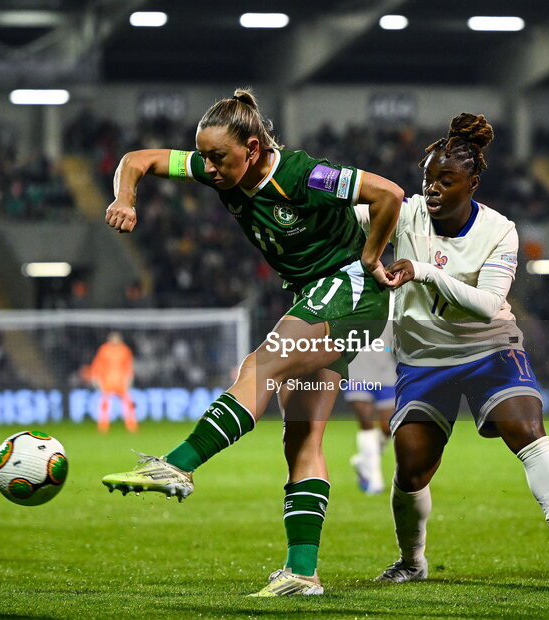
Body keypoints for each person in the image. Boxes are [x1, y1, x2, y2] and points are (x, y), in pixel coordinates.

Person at [101, 88, 404, 596]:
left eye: (219, 157)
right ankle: (303, 573)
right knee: (301, 434)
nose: (209, 168)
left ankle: (178, 465)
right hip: (322, 295)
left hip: (349, 290)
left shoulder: (303, 175)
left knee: (260, 366)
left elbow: (388, 194)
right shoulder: (218, 166)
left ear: (255, 147)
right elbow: (138, 159)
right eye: (204, 156)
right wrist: (123, 198)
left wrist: (373, 256)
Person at [355, 113, 549, 586]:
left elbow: (490, 305)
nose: (431, 189)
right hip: (425, 357)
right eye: (428, 179)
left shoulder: (499, 230)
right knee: (410, 465)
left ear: (472, 182)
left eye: (445, 180)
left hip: (489, 348)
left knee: (528, 430)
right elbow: (342, 210)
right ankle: (412, 562)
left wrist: (426, 272)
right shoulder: (404, 212)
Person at [344, 319, 395, 495]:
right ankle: (374, 479)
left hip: (386, 369)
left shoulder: (393, 299)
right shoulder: (349, 299)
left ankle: (363, 460)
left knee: (389, 427)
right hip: (356, 368)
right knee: (366, 421)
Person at [86, 331, 137, 433]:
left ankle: (131, 425)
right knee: (105, 404)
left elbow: (128, 365)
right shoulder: (104, 350)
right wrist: (96, 377)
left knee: (128, 403)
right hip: (107, 381)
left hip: (121, 381)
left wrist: (129, 378)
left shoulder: (124, 350)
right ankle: (103, 426)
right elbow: (98, 364)